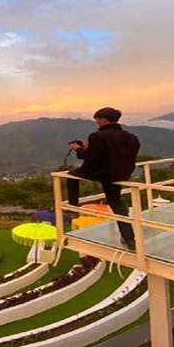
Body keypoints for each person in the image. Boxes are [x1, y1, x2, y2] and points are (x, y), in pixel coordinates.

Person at [66, 107, 140, 249]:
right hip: (121, 174)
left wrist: (79, 149)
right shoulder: (131, 137)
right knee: (116, 204)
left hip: (101, 173)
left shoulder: (97, 136)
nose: (97, 122)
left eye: (97, 120)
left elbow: (91, 159)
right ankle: (129, 239)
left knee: (71, 174)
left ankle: (73, 207)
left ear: (104, 120)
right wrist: (89, 148)